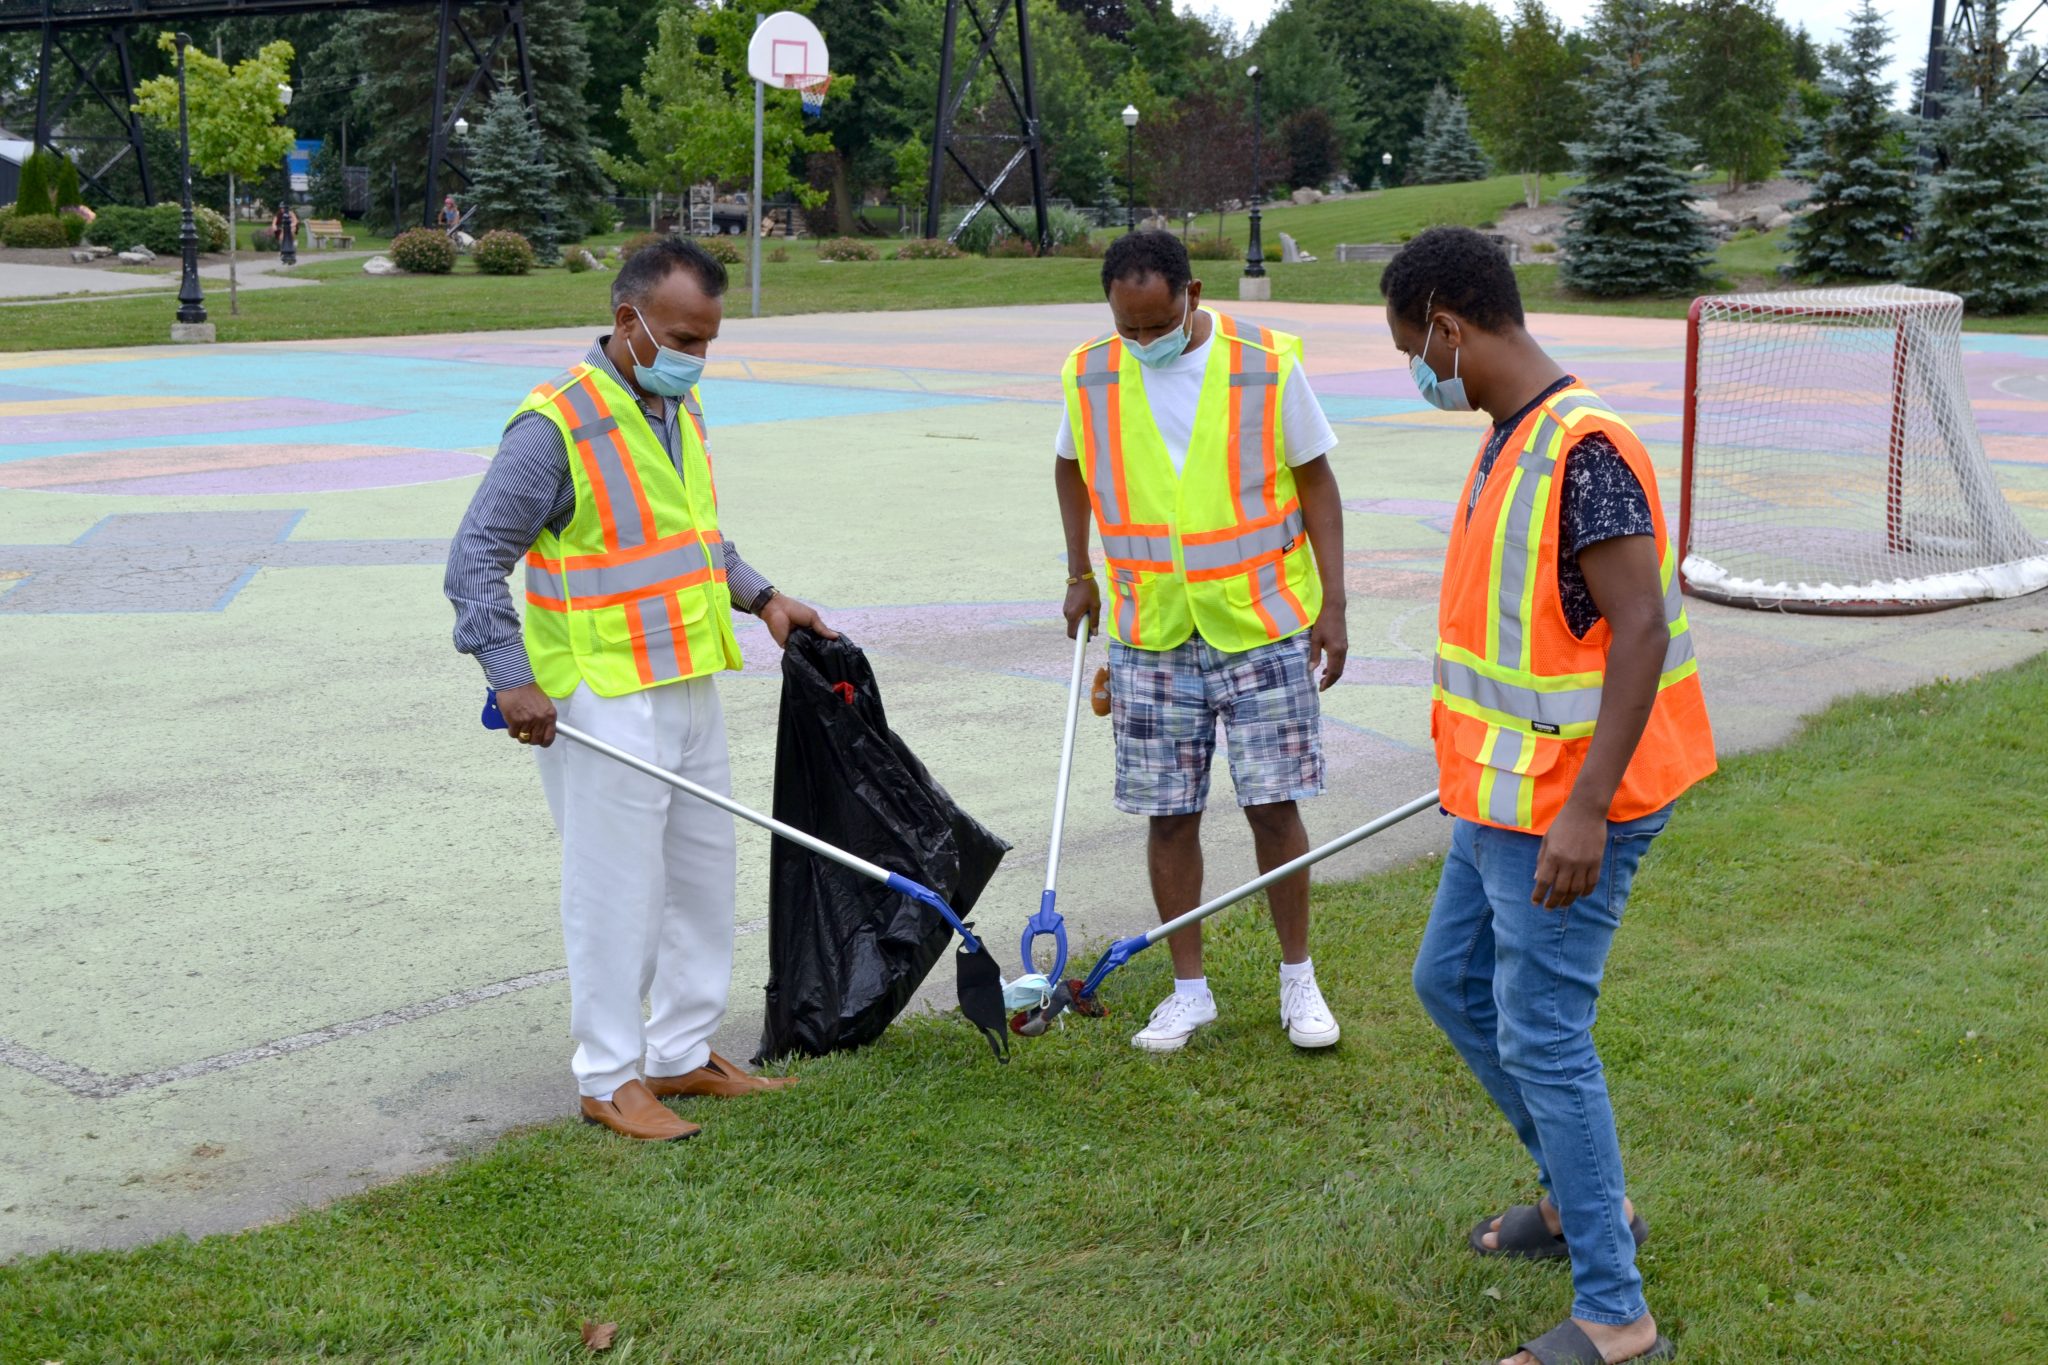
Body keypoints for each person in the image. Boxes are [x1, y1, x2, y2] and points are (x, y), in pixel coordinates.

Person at [1384, 227, 1715, 1365]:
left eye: (1411, 350)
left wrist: (1584, 810)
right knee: (1447, 983)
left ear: (1447, 325)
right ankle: (1580, 1199)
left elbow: (1640, 629)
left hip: (1575, 806)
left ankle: (1616, 1316)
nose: (1416, 373)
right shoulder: (1504, 437)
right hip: (1499, 799)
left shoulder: (1582, 451)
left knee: (1543, 1032)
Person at [445, 238, 836, 1142]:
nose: (696, 358)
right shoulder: (554, 426)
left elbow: (697, 540)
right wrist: (511, 679)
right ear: (628, 323)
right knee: (616, 890)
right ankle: (608, 1075)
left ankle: (681, 1052)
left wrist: (765, 598)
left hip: (687, 677)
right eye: (682, 339)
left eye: (707, 341)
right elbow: (474, 559)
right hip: (599, 697)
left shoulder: (675, 408)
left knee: (701, 877)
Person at [1054, 229, 1350, 1053]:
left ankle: (1299, 981)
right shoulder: (1089, 371)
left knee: (1272, 805)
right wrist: (1078, 568)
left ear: (1194, 293)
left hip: (1261, 621)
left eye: (1159, 323)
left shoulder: (1263, 362)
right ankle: (1190, 990)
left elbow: (1318, 481)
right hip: (1151, 628)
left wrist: (1334, 605)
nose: (1145, 342)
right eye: (1129, 328)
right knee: (1169, 815)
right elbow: (1070, 466)